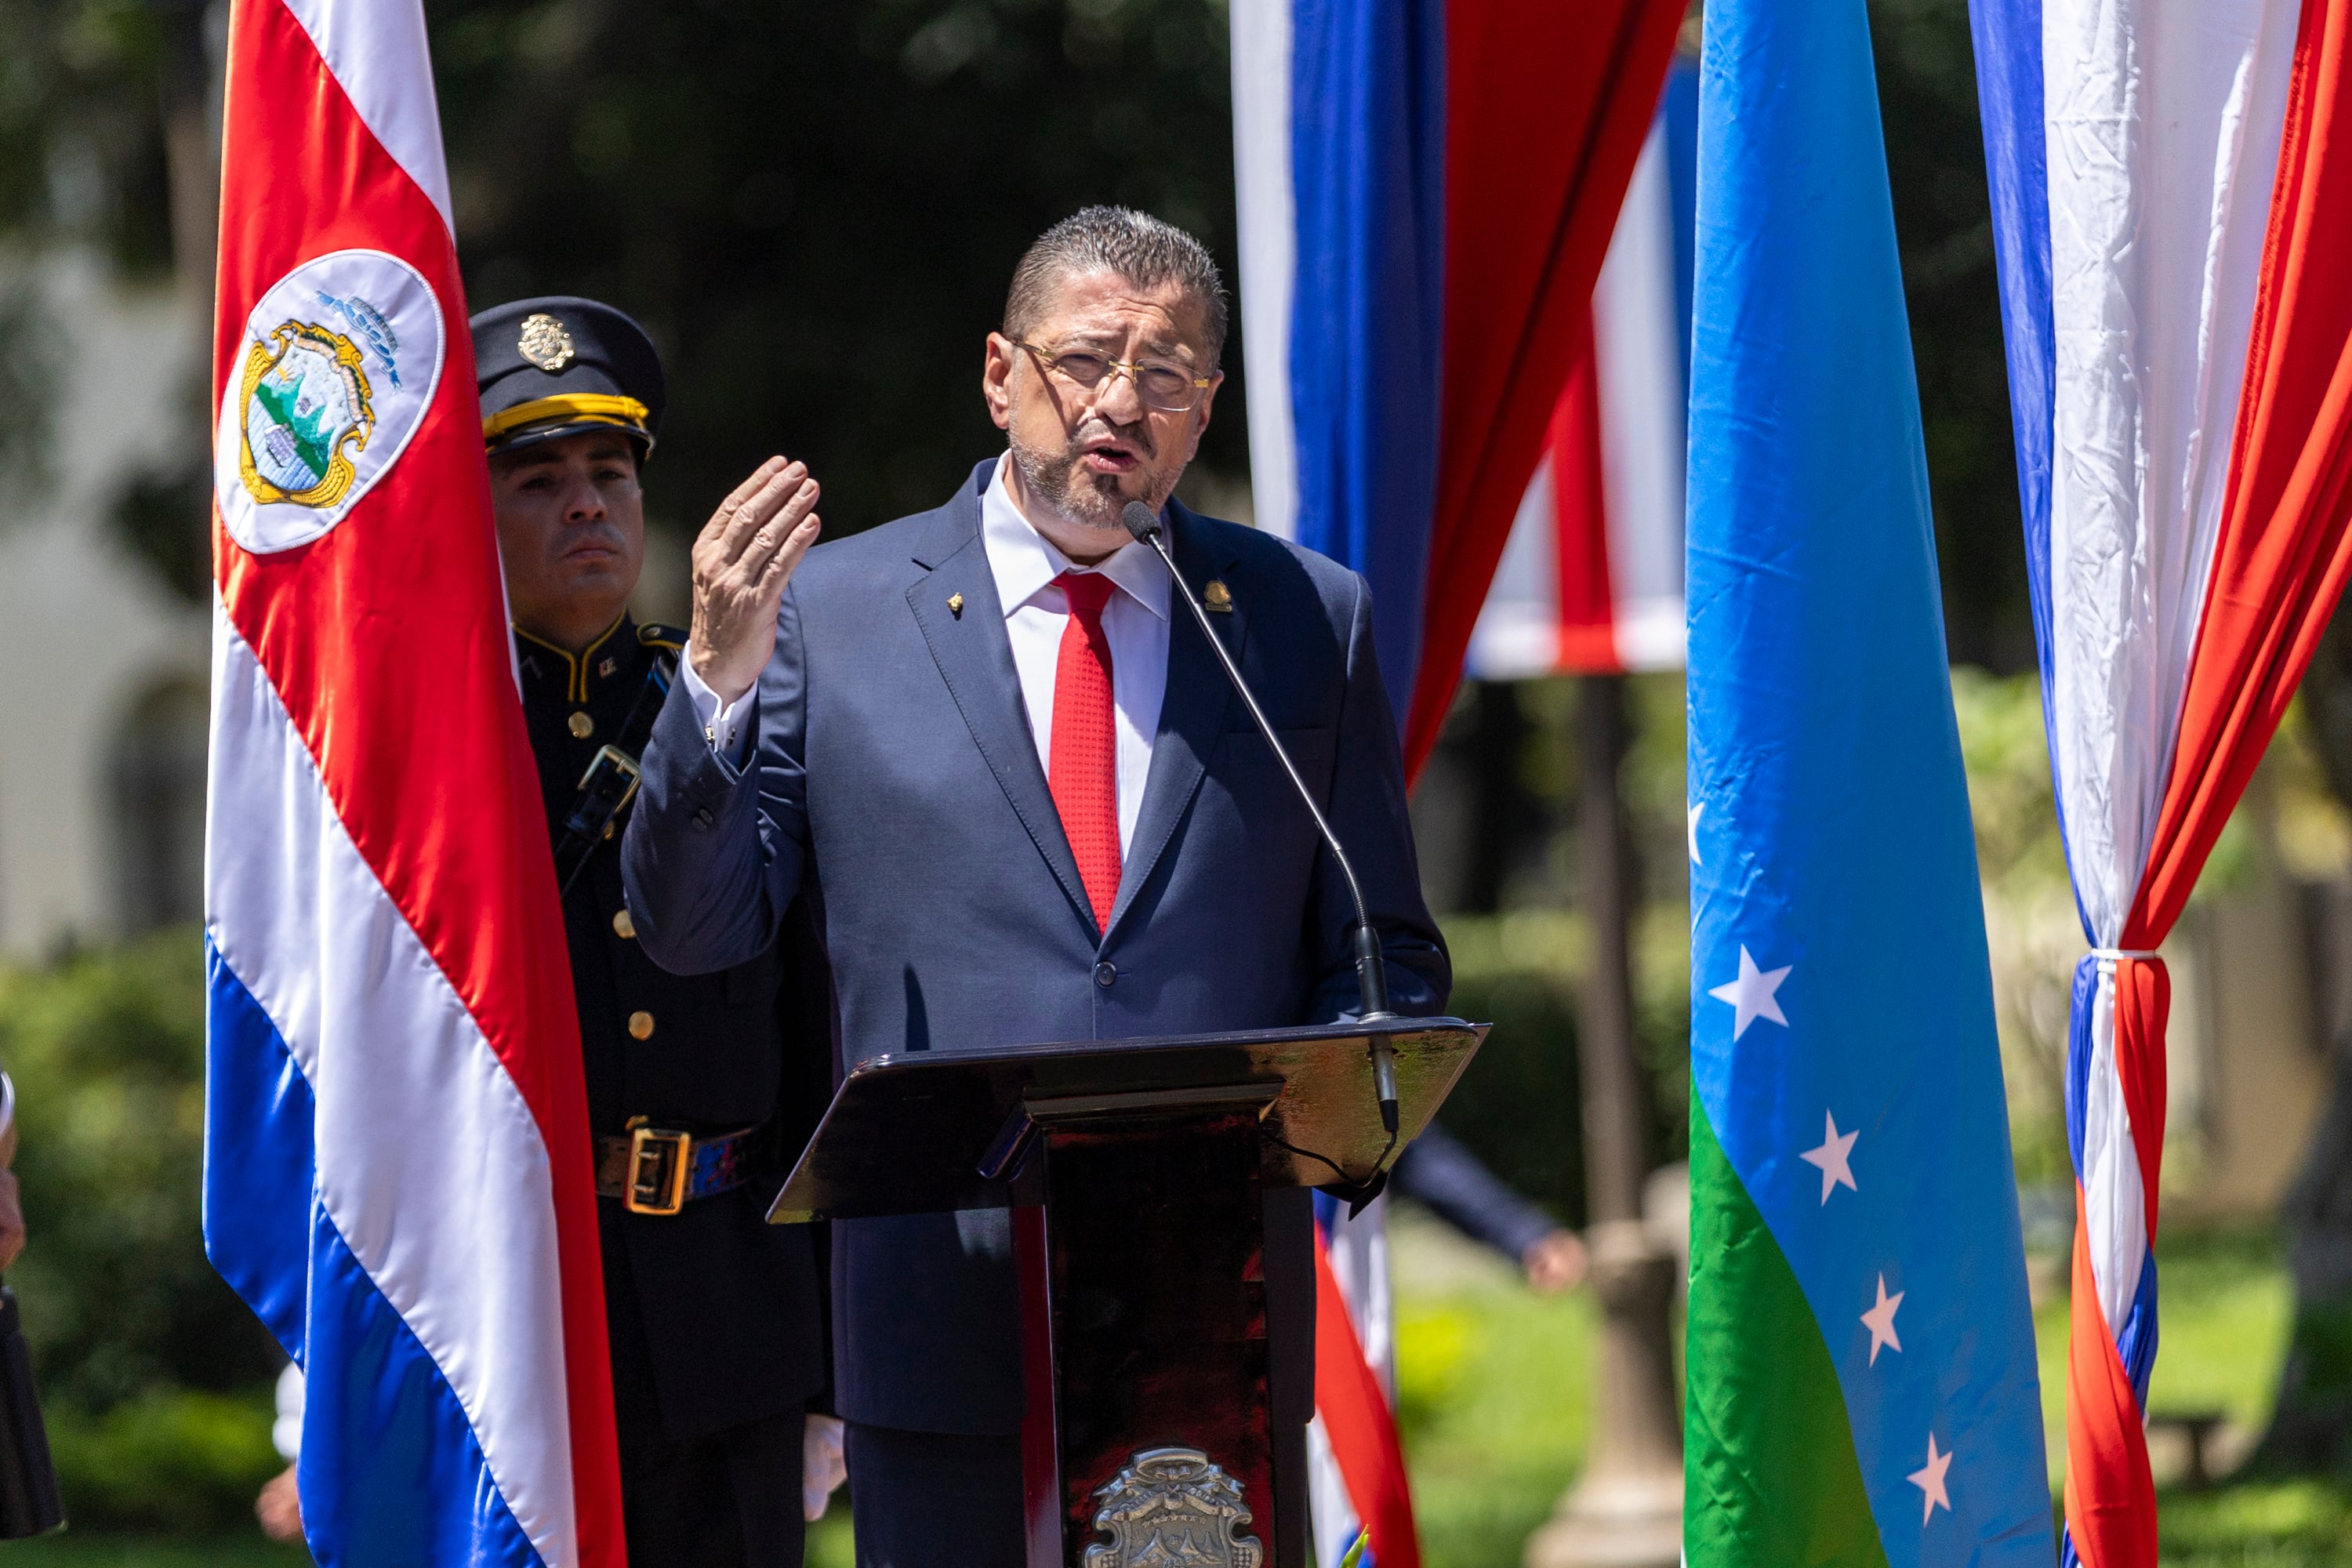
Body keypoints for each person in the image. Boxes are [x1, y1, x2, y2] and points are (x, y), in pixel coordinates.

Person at [621, 206, 1447, 1566]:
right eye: (1084, 361)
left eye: (1165, 375)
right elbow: (696, 926)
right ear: (1001, 375)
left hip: (1212, 1334)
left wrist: (1348, 1096)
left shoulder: (1304, 619)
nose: (1119, 402)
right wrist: (713, 677)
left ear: (1204, 412)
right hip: (945, 1333)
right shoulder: (836, 612)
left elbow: (1380, 953)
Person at [477, 296, 836, 1566]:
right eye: (539, 481)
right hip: (522, 1307)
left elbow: (813, 1033)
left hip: (732, 1312)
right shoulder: (445, 749)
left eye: (610, 473)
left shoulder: (734, 707)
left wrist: (826, 1366)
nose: (587, 504)